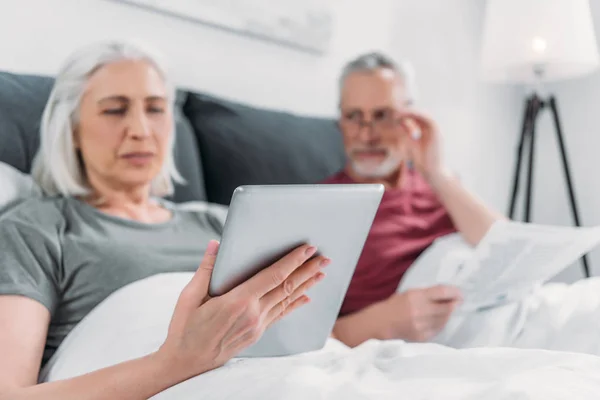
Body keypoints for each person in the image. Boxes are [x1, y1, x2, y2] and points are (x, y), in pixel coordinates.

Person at [0, 41, 330, 399]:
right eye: (114, 110)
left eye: (156, 109)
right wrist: (178, 361)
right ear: (73, 128)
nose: (140, 129)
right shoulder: (36, 230)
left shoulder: (226, 223)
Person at [327, 52, 506, 347]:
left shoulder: (438, 185)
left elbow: (508, 249)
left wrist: (436, 172)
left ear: (409, 119)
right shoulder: (323, 205)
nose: (367, 134)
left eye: (383, 115)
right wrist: (379, 323)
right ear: (340, 121)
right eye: (353, 117)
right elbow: (296, 333)